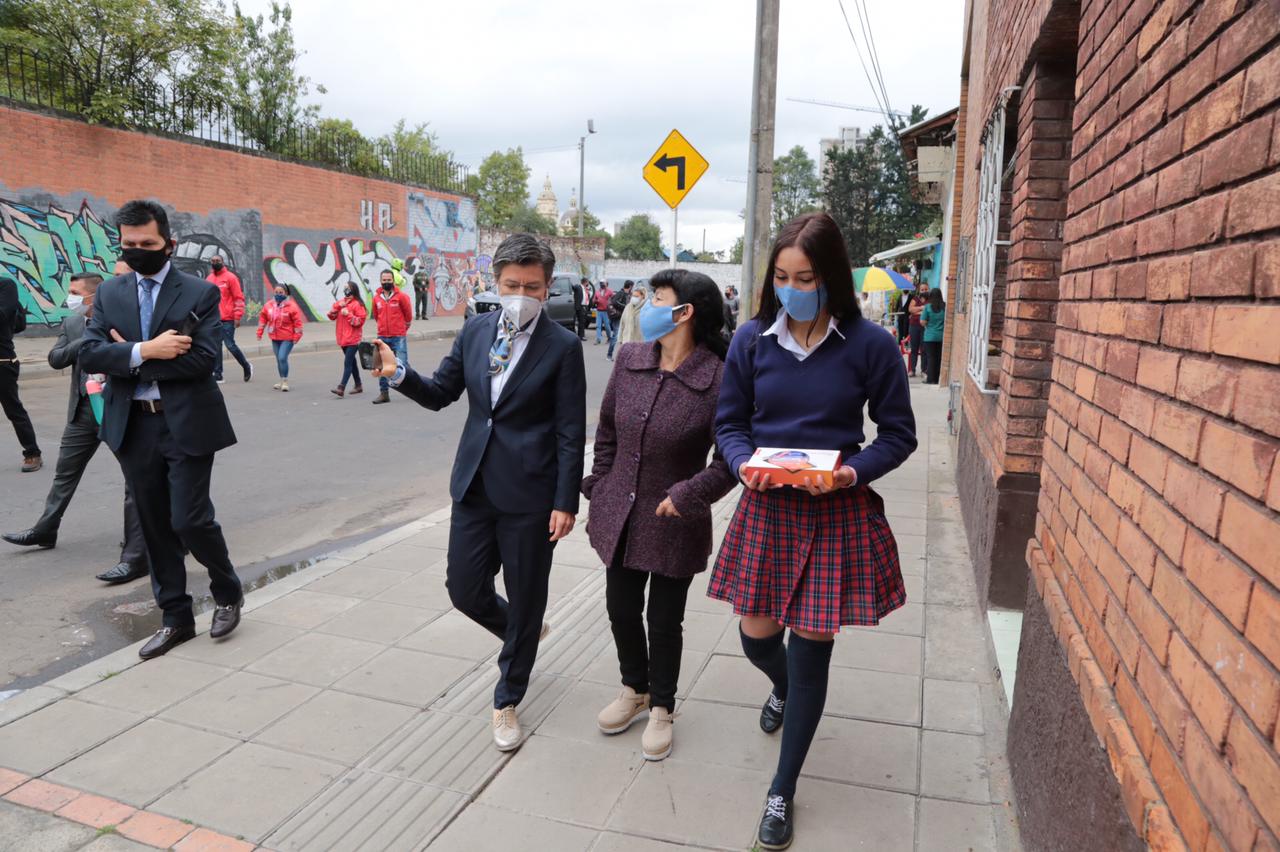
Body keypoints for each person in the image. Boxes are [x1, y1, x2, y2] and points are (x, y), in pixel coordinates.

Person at [710, 212, 917, 850]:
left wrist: (850, 474)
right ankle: (782, 688)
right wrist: (745, 463)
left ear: (830, 278)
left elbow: (898, 435)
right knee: (755, 636)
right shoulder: (750, 341)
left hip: (835, 515)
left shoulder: (871, 345)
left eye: (806, 277)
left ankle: (783, 788)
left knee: (812, 650)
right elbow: (730, 423)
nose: (793, 287)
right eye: (782, 276)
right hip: (768, 510)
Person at [371, 233, 585, 752]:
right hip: (474, 486)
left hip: (532, 496)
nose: (521, 294)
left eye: (532, 286)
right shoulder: (475, 331)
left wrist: (565, 501)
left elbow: (569, 431)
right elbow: (443, 393)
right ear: (496, 281)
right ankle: (523, 632)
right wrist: (398, 373)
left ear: (547, 286)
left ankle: (507, 697)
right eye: (511, 284)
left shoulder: (563, 347)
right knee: (464, 590)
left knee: (527, 590)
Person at [79, 200, 244, 660]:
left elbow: (203, 360)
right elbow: (90, 353)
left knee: (189, 520)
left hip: (186, 423)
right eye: (128, 245)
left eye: (146, 244)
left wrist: (127, 357)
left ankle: (227, 590)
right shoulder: (110, 293)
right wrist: (150, 350)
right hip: (133, 426)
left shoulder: (199, 293)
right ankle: (176, 619)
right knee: (153, 527)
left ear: (168, 244)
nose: (136, 251)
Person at [582, 269, 736, 761]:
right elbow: (606, 432)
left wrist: (691, 494)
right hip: (621, 514)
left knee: (664, 621)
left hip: (675, 519)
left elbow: (731, 458)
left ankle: (663, 707)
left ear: (684, 311)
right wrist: (598, 484)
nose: (645, 305)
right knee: (621, 609)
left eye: (656, 297)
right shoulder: (629, 359)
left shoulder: (717, 377)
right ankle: (635, 688)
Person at [2, 272, 150, 585]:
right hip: (82, 409)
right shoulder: (72, 325)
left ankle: (142, 542)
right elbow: (55, 359)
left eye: (74, 292)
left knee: (136, 477)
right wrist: (87, 339)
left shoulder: (123, 321)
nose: (69, 297)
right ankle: (46, 529)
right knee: (64, 474)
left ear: (94, 297)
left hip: (117, 409)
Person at [0, 275, 41, 472]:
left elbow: (3, 315)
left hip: (3, 362)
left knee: (13, 410)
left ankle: (32, 453)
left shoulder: (5, 285)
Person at [207, 255, 252, 384]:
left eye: (218, 261)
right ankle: (218, 374)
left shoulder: (231, 278)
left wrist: (237, 316)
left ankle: (246, 366)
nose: (215, 263)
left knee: (230, 345)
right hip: (214, 319)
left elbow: (238, 298)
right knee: (216, 346)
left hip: (228, 318)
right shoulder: (209, 278)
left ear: (223, 262)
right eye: (213, 261)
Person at [370, 268, 413, 404]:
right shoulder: (376, 298)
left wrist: (401, 329)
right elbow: (377, 316)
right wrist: (383, 328)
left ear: (393, 281)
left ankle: (414, 390)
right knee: (381, 366)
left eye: (389, 280)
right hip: (382, 336)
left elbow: (408, 316)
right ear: (380, 281)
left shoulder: (402, 297)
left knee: (403, 364)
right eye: (384, 280)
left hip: (398, 336)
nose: (386, 282)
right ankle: (384, 394)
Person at [256, 284, 304, 392]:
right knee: (279, 359)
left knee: (282, 357)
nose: (278, 294)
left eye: (281, 292)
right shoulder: (269, 305)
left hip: (288, 337)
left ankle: (285, 381)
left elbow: (298, 323)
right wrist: (260, 332)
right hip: (274, 337)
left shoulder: (292, 307)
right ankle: (281, 380)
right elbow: (263, 318)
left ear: (286, 294)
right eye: (276, 292)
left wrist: (297, 336)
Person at [328, 283, 367, 397]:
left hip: (353, 339)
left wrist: (348, 314)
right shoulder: (341, 302)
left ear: (353, 289)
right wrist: (337, 307)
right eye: (344, 288)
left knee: (348, 362)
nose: (346, 290)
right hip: (342, 338)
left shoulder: (358, 304)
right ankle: (358, 385)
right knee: (352, 362)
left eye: (348, 288)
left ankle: (341, 387)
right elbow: (331, 316)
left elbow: (359, 322)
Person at [921, 288, 946, 385]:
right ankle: (937, 378)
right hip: (941, 336)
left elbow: (922, 322)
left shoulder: (927, 307)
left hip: (929, 337)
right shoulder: (944, 307)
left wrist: (928, 323)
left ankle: (930, 379)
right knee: (939, 357)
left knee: (931, 358)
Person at [906, 282, 928, 377]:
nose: (924, 291)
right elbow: (910, 309)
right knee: (914, 349)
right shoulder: (915, 299)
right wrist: (921, 308)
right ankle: (912, 370)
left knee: (924, 349)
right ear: (919, 290)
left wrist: (916, 312)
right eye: (922, 289)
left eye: (925, 289)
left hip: (925, 327)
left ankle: (924, 370)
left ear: (928, 289)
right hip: (914, 326)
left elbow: (928, 311)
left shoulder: (930, 300)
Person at [594, 280, 614, 348]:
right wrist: (596, 301)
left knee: (607, 326)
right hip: (599, 311)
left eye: (603, 283)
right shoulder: (597, 291)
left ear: (606, 284)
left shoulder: (610, 291)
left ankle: (609, 338)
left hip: (606, 311)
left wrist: (610, 303)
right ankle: (598, 339)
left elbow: (614, 298)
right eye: (600, 283)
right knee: (598, 326)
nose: (601, 284)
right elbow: (594, 300)